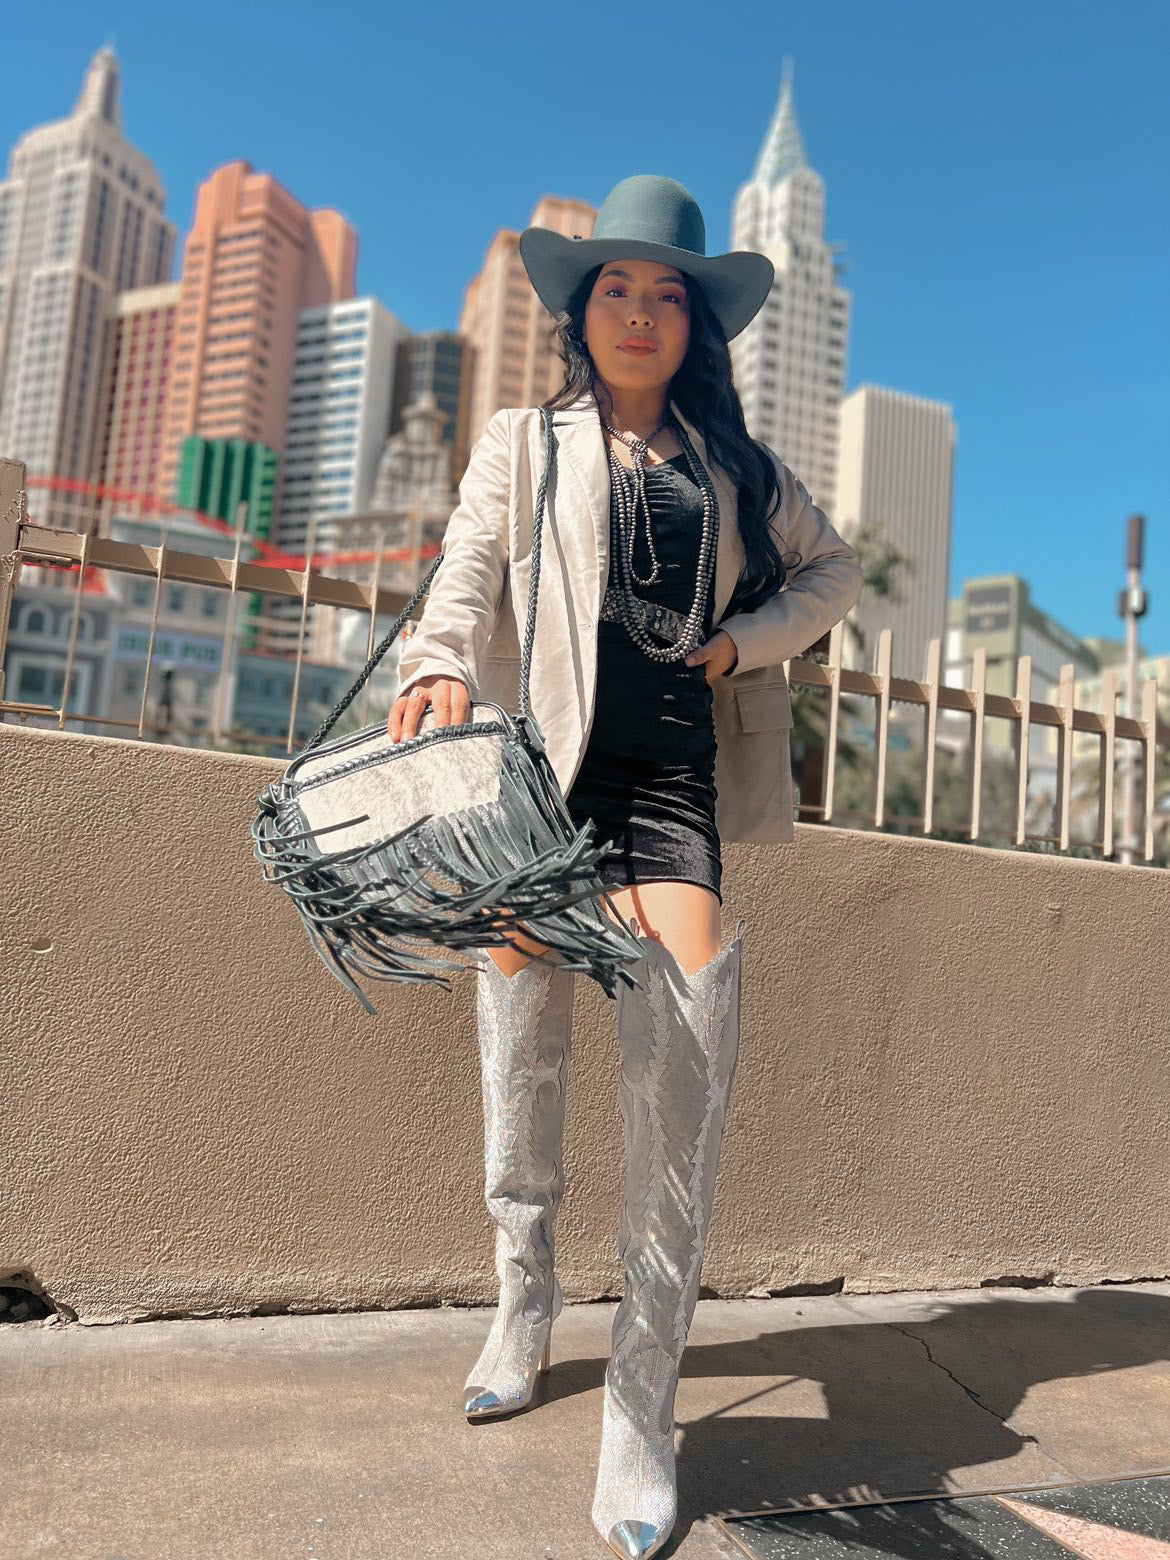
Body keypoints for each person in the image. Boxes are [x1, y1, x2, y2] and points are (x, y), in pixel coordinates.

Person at [387, 174, 864, 1559]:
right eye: (617, 288)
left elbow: (830, 574)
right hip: (541, 774)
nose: (642, 312)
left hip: (668, 784)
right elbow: (468, 568)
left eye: (668, 294)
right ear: (580, 310)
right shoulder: (524, 440)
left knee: (692, 1033)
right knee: (520, 1037)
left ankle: (642, 1399)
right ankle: (522, 1296)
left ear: (696, 323)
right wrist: (432, 663)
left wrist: (740, 645)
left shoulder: (739, 468)